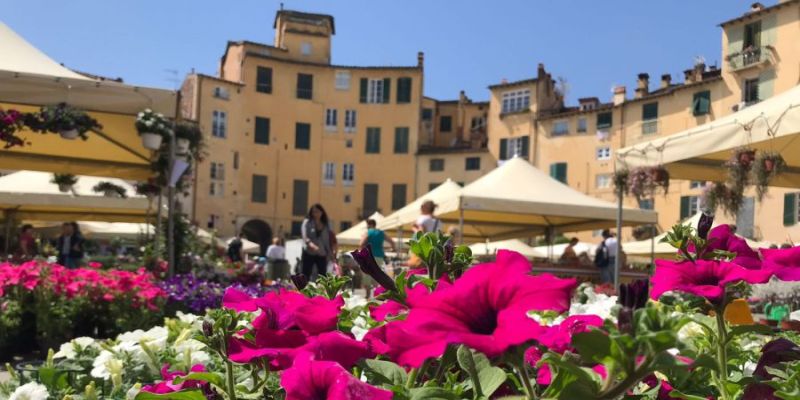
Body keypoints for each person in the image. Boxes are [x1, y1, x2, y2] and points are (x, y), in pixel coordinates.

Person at [301, 204, 334, 280]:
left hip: (321, 253)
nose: (315, 214)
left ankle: (321, 291)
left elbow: (327, 240)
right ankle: (303, 290)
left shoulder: (326, 224)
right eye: (313, 212)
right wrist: (310, 244)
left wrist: (330, 253)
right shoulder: (307, 222)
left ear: (322, 212)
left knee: (322, 275)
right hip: (309, 252)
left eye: (317, 212)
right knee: (305, 274)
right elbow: (304, 236)